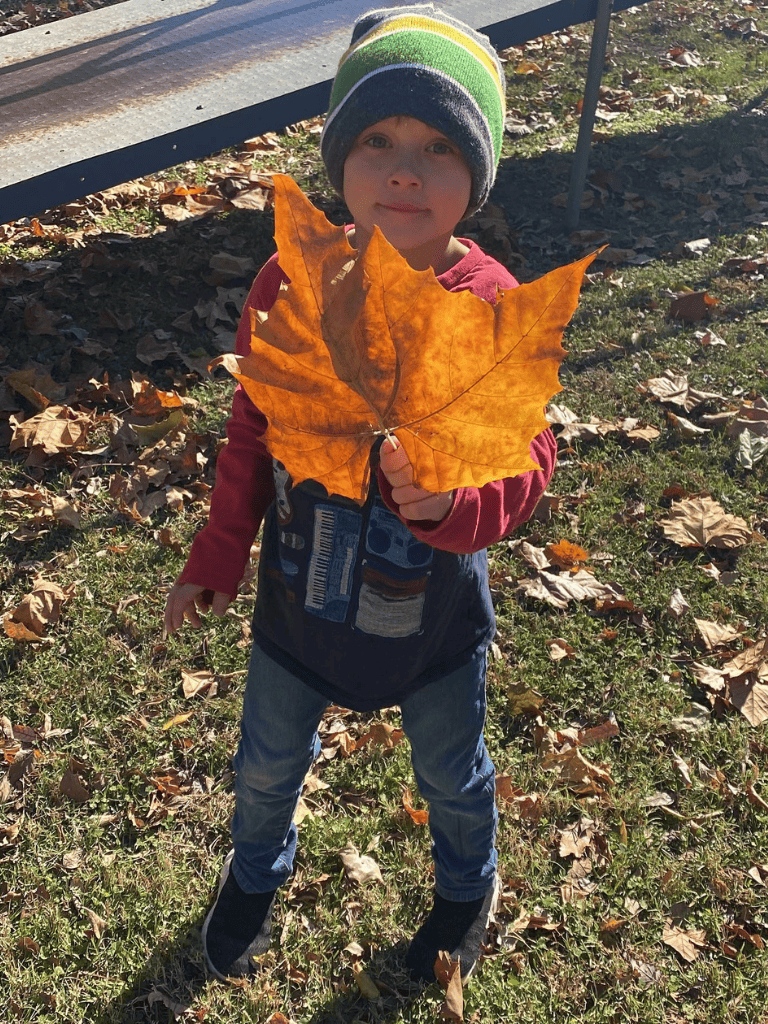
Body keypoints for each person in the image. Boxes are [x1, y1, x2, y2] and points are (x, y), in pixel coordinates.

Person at [164, 3, 557, 985]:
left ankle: (466, 883)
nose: (404, 170)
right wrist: (217, 551)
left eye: (438, 146)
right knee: (263, 766)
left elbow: (528, 465)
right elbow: (252, 429)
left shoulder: (490, 303)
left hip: (428, 615)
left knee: (450, 773)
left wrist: (449, 503)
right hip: (299, 598)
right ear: (338, 157)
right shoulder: (291, 282)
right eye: (375, 139)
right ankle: (255, 871)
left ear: (478, 171)